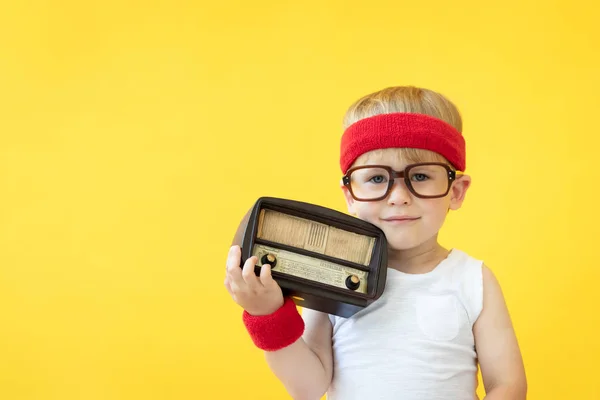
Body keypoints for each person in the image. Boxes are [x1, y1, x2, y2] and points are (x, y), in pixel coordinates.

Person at [224, 86, 527, 399]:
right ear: (350, 195)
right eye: (377, 179)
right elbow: (309, 388)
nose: (398, 198)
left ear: (456, 191)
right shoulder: (328, 278)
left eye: (421, 176)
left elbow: (507, 384)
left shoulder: (473, 279)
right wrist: (267, 315)